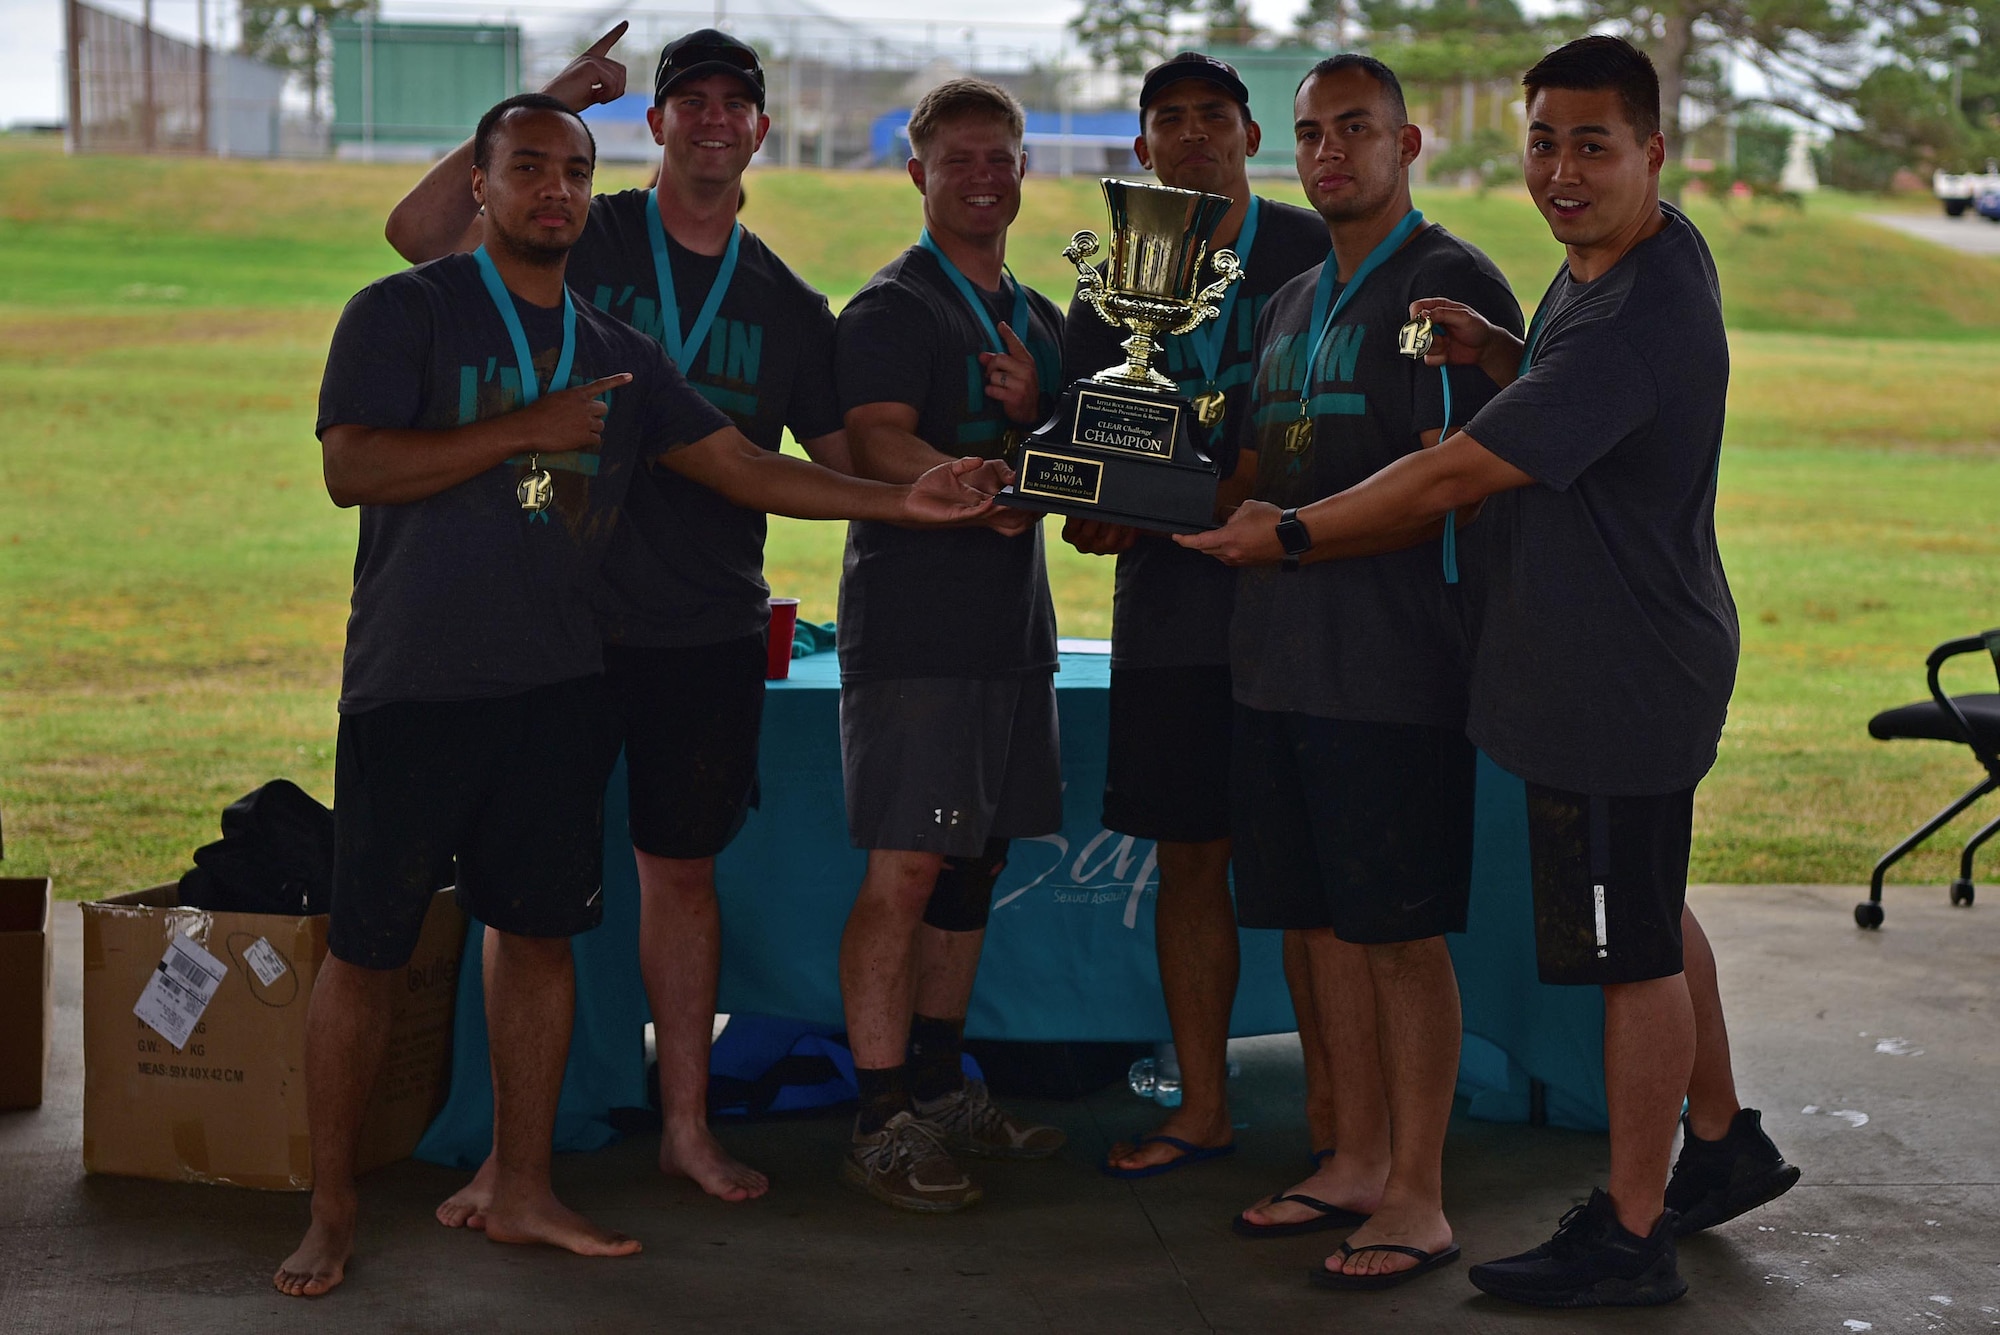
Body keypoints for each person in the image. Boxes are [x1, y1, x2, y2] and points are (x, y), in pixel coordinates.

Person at [276, 93, 1003, 1297]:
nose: (554, 191)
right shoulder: (404, 311)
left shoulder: (618, 349)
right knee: (366, 948)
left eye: (572, 171)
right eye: (528, 169)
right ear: (482, 185)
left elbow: (738, 465)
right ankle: (331, 1207)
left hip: (559, 682)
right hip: (416, 685)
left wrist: (900, 502)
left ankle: (520, 1188)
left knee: (541, 940)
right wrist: (528, 432)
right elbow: (353, 467)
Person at [1181, 36, 1796, 1305]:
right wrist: (1504, 357)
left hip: (1618, 673)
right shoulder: (1615, 261)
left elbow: (1460, 473)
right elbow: (1581, 425)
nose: (1560, 173)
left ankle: (1629, 1237)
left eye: (1592, 146)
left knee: (1624, 949)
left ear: (1651, 154)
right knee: (1649, 901)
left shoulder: (1635, 305)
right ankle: (1723, 1141)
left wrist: (1290, 531)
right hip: (1601, 656)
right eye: (1543, 143)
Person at [384, 26, 851, 1205]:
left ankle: (687, 1126)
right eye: (683, 100)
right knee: (517, 895)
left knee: (680, 879)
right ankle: (507, 1143)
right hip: (556, 620)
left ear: (758, 129)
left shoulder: (787, 302)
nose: (708, 118)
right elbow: (416, 236)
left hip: (700, 624)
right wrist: (546, 101)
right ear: (650, 125)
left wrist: (957, 483)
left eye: (730, 103)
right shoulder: (578, 225)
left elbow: (833, 458)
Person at [1183, 56, 1521, 1287]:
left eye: (1356, 130)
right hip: (1274, 663)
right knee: (1313, 928)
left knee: (1394, 937)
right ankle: (1353, 1157)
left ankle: (1419, 1196)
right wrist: (1111, 487)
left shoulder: (1447, 285)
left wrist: (1283, 534)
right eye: (1312, 133)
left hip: (1391, 668)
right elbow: (1258, 478)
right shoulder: (1284, 302)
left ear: (1409, 142)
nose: (1329, 153)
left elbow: (1454, 482)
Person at [1057, 52, 1330, 1178]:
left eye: (1210, 116)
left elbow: (1324, 434)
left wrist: (1205, 497)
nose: (1189, 135)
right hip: (1171, 611)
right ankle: (1201, 1105)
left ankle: (1339, 1126)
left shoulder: (1316, 255)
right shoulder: (1114, 275)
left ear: (1249, 135)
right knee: (1188, 859)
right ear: (1140, 148)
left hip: (1302, 604)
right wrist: (1095, 511)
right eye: (1165, 119)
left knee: (1314, 874)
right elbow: (1084, 458)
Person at [831, 77, 1070, 1212]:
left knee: (972, 868)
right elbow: (873, 439)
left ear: (1024, 169)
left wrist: (1034, 426)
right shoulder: (893, 307)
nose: (982, 177)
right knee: (907, 868)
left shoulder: (1039, 317)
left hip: (1013, 632)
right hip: (917, 633)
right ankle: (878, 1116)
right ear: (914, 172)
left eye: (1001, 157)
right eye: (958, 159)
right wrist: (969, 484)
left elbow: (1079, 457)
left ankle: (937, 1087)